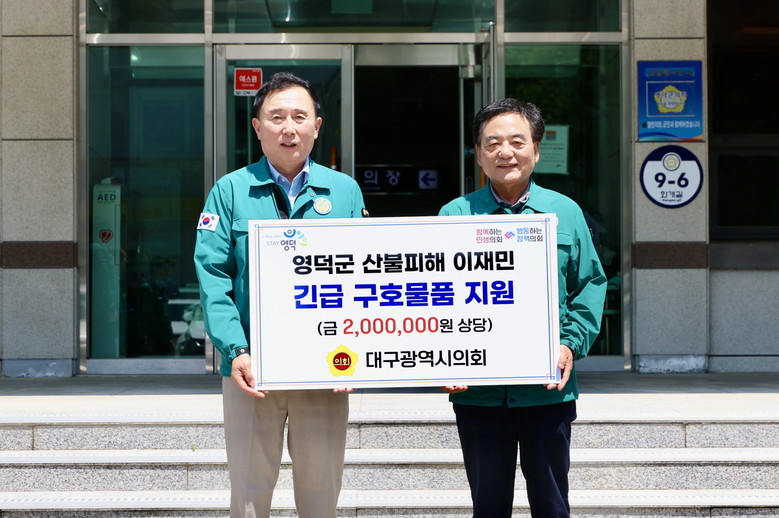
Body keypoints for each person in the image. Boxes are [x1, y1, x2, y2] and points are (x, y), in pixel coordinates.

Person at [194, 72, 367, 518]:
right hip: (253, 371)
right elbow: (213, 276)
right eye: (276, 117)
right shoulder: (230, 190)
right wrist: (235, 349)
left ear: (317, 126)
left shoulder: (344, 191)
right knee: (249, 495)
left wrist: (358, 352)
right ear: (257, 127)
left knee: (321, 494)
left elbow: (365, 278)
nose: (288, 128)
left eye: (299, 117)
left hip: (325, 369)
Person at [439, 98, 607, 518]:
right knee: (488, 507)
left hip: (546, 391)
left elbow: (589, 285)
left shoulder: (565, 212)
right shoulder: (455, 214)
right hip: (478, 395)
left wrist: (569, 344)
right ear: (479, 154)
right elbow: (433, 293)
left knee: (551, 505)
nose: (505, 152)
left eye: (517, 141)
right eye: (492, 143)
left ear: (536, 149)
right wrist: (442, 354)